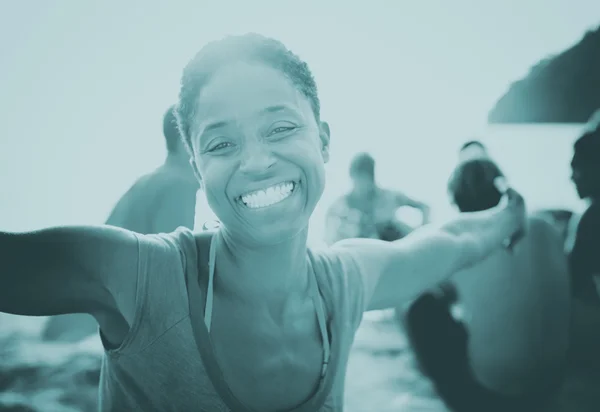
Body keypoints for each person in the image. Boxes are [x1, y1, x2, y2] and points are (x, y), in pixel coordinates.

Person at [0, 34, 526, 412]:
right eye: (222, 143)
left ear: (322, 140)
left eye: (280, 128)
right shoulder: (141, 276)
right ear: (196, 167)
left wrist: (508, 215)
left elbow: (452, 239)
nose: (256, 161)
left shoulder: (343, 283)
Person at [407, 158, 570, 411]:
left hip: (497, 390)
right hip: (555, 381)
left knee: (420, 307)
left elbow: (422, 286)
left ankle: (457, 403)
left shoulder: (467, 246)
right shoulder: (545, 227)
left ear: (458, 205)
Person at [40, 106, 200, 343]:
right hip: (90, 325)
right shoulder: (178, 185)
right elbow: (169, 271)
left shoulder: (149, 181)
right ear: (185, 140)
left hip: (71, 315)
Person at [325, 152, 430, 245]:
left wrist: (421, 235)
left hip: (396, 250)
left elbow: (425, 207)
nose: (362, 184)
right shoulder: (340, 208)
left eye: (365, 178)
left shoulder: (388, 197)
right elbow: (329, 238)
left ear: (372, 178)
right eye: (358, 178)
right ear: (352, 176)